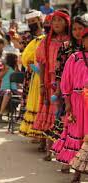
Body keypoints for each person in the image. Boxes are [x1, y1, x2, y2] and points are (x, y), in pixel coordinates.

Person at [32, 9, 71, 161]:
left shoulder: (72, 41)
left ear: (66, 22)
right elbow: (41, 64)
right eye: (54, 20)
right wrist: (42, 84)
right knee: (51, 115)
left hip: (67, 83)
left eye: (60, 20)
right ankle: (49, 151)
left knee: (64, 116)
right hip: (50, 84)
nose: (56, 23)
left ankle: (64, 152)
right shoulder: (46, 41)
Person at [51, 17, 87, 175]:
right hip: (77, 101)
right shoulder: (74, 57)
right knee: (77, 133)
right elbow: (65, 80)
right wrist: (67, 101)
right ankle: (76, 171)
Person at [19, 10, 45, 140]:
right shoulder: (26, 36)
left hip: (44, 73)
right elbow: (22, 53)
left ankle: (41, 133)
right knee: (29, 100)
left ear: (39, 20)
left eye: (33, 21)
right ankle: (33, 131)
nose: (31, 24)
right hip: (30, 73)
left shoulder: (47, 34)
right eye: (29, 22)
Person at [0, 53, 19, 122]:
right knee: (8, 92)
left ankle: (18, 115)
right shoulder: (6, 68)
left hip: (14, 89)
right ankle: (0, 114)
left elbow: (17, 80)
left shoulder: (15, 68)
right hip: (5, 89)